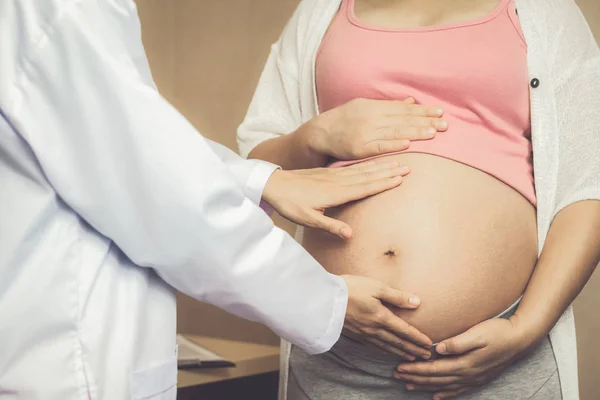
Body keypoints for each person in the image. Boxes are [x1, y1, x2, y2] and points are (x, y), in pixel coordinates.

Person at [0, 1, 436, 399]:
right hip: (59, 363)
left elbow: (116, 141)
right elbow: (160, 190)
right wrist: (325, 302)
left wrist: (259, 181)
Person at [237, 0, 600, 399]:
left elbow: (587, 184)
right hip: (336, 353)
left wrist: (526, 328)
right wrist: (315, 136)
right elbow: (253, 177)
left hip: (498, 358)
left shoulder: (545, 11)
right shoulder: (321, 11)